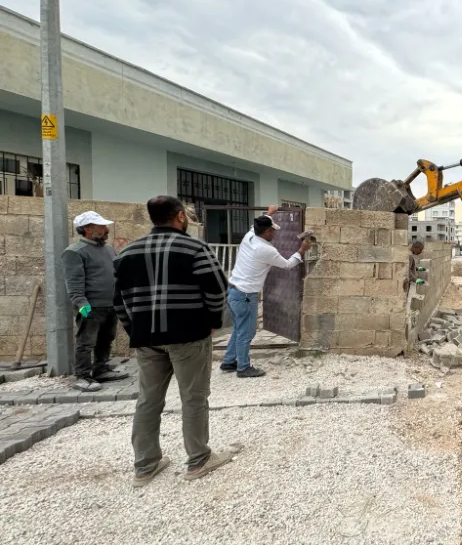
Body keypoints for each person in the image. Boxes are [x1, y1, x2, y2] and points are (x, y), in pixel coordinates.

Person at [113, 196, 232, 486]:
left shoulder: (127, 252)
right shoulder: (196, 248)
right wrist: (212, 323)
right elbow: (217, 290)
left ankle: (145, 466)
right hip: (189, 335)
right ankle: (198, 459)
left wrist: (136, 330)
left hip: (147, 338)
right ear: (180, 216)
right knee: (193, 398)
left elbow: (119, 301)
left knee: (148, 400)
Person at [221, 206, 313, 378]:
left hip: (233, 291)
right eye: (272, 230)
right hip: (246, 295)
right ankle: (243, 367)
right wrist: (302, 250)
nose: (275, 234)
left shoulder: (249, 236)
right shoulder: (266, 250)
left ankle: (228, 361)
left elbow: (254, 224)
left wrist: (269, 214)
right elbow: (287, 264)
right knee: (247, 332)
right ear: (266, 232)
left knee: (239, 328)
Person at [62, 211, 129, 392]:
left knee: (106, 338)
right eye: (101, 226)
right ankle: (82, 376)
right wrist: (82, 306)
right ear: (88, 229)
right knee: (86, 341)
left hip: (110, 305)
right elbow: (74, 283)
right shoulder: (74, 252)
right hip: (90, 307)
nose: (106, 229)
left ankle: (101, 369)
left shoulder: (108, 250)